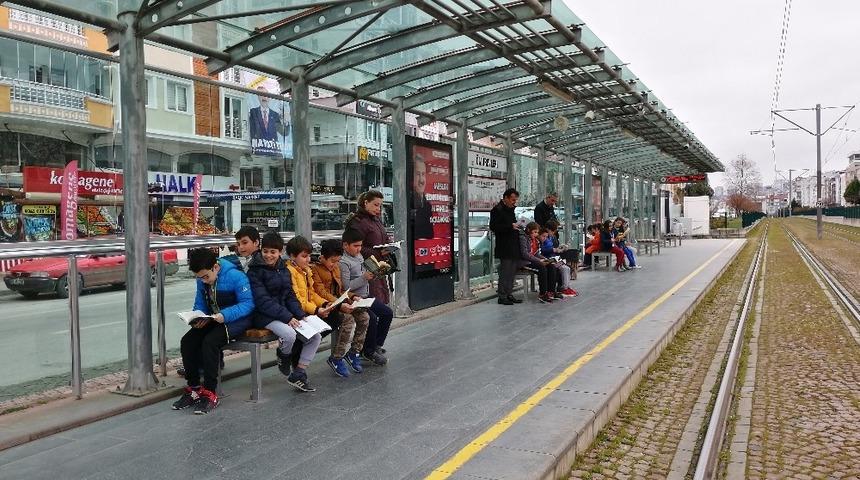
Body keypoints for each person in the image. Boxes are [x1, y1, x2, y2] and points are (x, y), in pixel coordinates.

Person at [172, 248, 254, 414]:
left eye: (205, 276)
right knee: (188, 341)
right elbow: (200, 303)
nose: (203, 280)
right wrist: (198, 317)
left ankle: (210, 391)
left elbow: (248, 304)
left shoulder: (236, 276)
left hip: (238, 319)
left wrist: (225, 315)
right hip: (214, 319)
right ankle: (194, 388)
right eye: (199, 277)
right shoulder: (202, 280)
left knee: (210, 342)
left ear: (215, 267)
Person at [246, 232, 321, 392]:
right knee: (289, 334)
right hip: (264, 316)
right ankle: (283, 355)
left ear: (280, 252)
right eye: (265, 251)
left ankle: (299, 372)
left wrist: (300, 315)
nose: (268, 255)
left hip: (283, 313)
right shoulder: (254, 271)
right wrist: (288, 317)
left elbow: (290, 296)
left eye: (273, 252)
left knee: (315, 336)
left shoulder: (283, 269)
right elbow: (262, 301)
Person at [310, 239, 368, 377]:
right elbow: (321, 292)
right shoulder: (315, 269)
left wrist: (353, 297)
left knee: (365, 317)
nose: (334, 265)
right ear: (322, 257)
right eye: (332, 261)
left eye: (337, 261)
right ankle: (336, 357)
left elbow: (341, 289)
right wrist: (339, 305)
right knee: (347, 320)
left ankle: (354, 352)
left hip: (339, 301)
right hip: (325, 305)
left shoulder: (335, 267)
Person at [340, 228, 392, 366]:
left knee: (387, 313)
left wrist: (375, 273)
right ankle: (367, 351)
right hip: (354, 299)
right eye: (355, 246)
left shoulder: (359, 257)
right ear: (345, 245)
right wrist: (364, 278)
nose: (359, 249)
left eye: (360, 245)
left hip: (366, 296)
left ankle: (376, 345)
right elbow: (346, 288)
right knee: (372, 318)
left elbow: (364, 275)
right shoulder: (344, 262)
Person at [344, 190, 392, 306]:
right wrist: (378, 252)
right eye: (375, 205)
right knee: (373, 303)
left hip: (377, 265)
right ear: (366, 203)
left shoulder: (376, 220)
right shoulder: (357, 222)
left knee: (382, 302)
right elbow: (354, 248)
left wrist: (389, 246)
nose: (378, 209)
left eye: (380, 205)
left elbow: (383, 238)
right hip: (365, 267)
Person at [489, 188, 522, 305]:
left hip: (513, 244)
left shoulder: (510, 210)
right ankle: (502, 295)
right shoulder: (497, 210)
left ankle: (509, 293)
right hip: (504, 245)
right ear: (506, 198)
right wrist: (510, 226)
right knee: (505, 272)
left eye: (515, 200)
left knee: (512, 272)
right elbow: (494, 227)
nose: (514, 202)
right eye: (513, 200)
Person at [521, 221, 562, 303]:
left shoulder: (534, 240)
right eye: (535, 232)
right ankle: (543, 293)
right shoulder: (523, 238)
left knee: (551, 266)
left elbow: (536, 253)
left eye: (537, 232)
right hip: (526, 262)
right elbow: (525, 254)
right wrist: (539, 260)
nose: (536, 234)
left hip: (533, 260)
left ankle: (551, 291)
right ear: (529, 230)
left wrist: (545, 259)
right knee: (542, 268)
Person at [248, 86, 287, 156]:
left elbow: (284, 133)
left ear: (269, 98)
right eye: (261, 95)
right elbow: (250, 131)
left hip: (274, 152)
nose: (264, 97)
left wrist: (286, 121)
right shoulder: (253, 112)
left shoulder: (275, 115)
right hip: (259, 151)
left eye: (266, 95)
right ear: (258, 97)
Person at [539, 227, 577, 297]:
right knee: (564, 268)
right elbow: (543, 251)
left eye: (546, 236)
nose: (545, 238)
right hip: (549, 260)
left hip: (553, 259)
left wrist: (557, 249)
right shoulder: (540, 242)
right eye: (543, 236)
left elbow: (551, 250)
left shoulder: (550, 239)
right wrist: (553, 250)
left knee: (567, 268)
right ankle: (563, 288)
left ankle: (566, 287)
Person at [411, 154, 434, 240]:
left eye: (423, 174)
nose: (421, 180)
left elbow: (430, 235)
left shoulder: (427, 205)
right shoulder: (407, 203)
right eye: (417, 174)